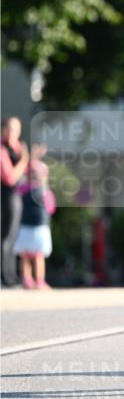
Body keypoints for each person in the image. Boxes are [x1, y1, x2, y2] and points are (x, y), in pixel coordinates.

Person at [14, 143, 55, 290]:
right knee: (25, 255)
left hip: (40, 226)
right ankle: (26, 279)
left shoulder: (44, 190)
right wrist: (32, 157)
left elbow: (50, 208)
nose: (36, 175)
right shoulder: (24, 188)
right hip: (26, 224)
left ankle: (39, 280)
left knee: (38, 255)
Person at [1, 116, 30, 286]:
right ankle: (5, 277)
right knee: (5, 238)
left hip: (16, 196)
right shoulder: (2, 149)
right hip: (5, 196)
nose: (15, 133)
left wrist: (27, 156)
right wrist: (25, 159)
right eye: (11, 129)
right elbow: (10, 177)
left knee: (12, 237)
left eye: (17, 129)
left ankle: (10, 276)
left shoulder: (16, 149)